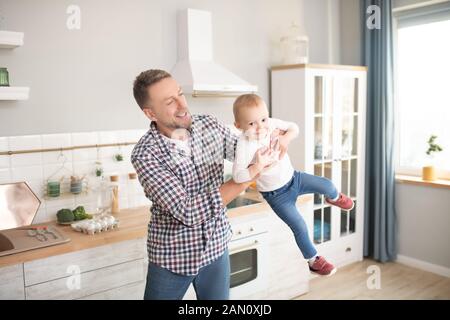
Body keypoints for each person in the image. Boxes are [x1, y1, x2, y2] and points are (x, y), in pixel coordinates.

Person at [131, 69, 258, 300]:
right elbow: (187, 211)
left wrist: (264, 136)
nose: (182, 105)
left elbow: (245, 153)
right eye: (170, 101)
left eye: (181, 94)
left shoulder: (209, 125)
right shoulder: (146, 154)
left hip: (216, 247)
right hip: (172, 257)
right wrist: (246, 178)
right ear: (150, 113)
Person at [231, 94, 355, 276]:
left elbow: (294, 127)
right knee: (299, 226)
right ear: (238, 126)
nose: (260, 127)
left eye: (263, 119)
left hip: (294, 178)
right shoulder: (244, 145)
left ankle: (334, 198)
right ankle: (314, 260)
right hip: (277, 196)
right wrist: (256, 166)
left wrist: (285, 139)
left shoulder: (271, 125)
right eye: (252, 124)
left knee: (327, 184)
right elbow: (238, 176)